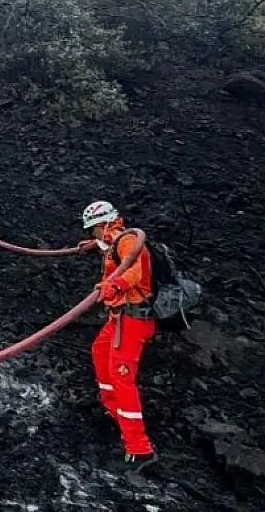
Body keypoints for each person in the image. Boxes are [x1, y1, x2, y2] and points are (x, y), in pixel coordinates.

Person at [78, 200, 157, 471]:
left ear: (104, 225)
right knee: (100, 353)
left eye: (94, 232)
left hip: (133, 320)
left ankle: (139, 449)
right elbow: (116, 255)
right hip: (120, 318)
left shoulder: (129, 241)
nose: (93, 236)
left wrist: (115, 286)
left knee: (122, 376)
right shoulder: (116, 241)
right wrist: (94, 247)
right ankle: (116, 416)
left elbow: (133, 270)